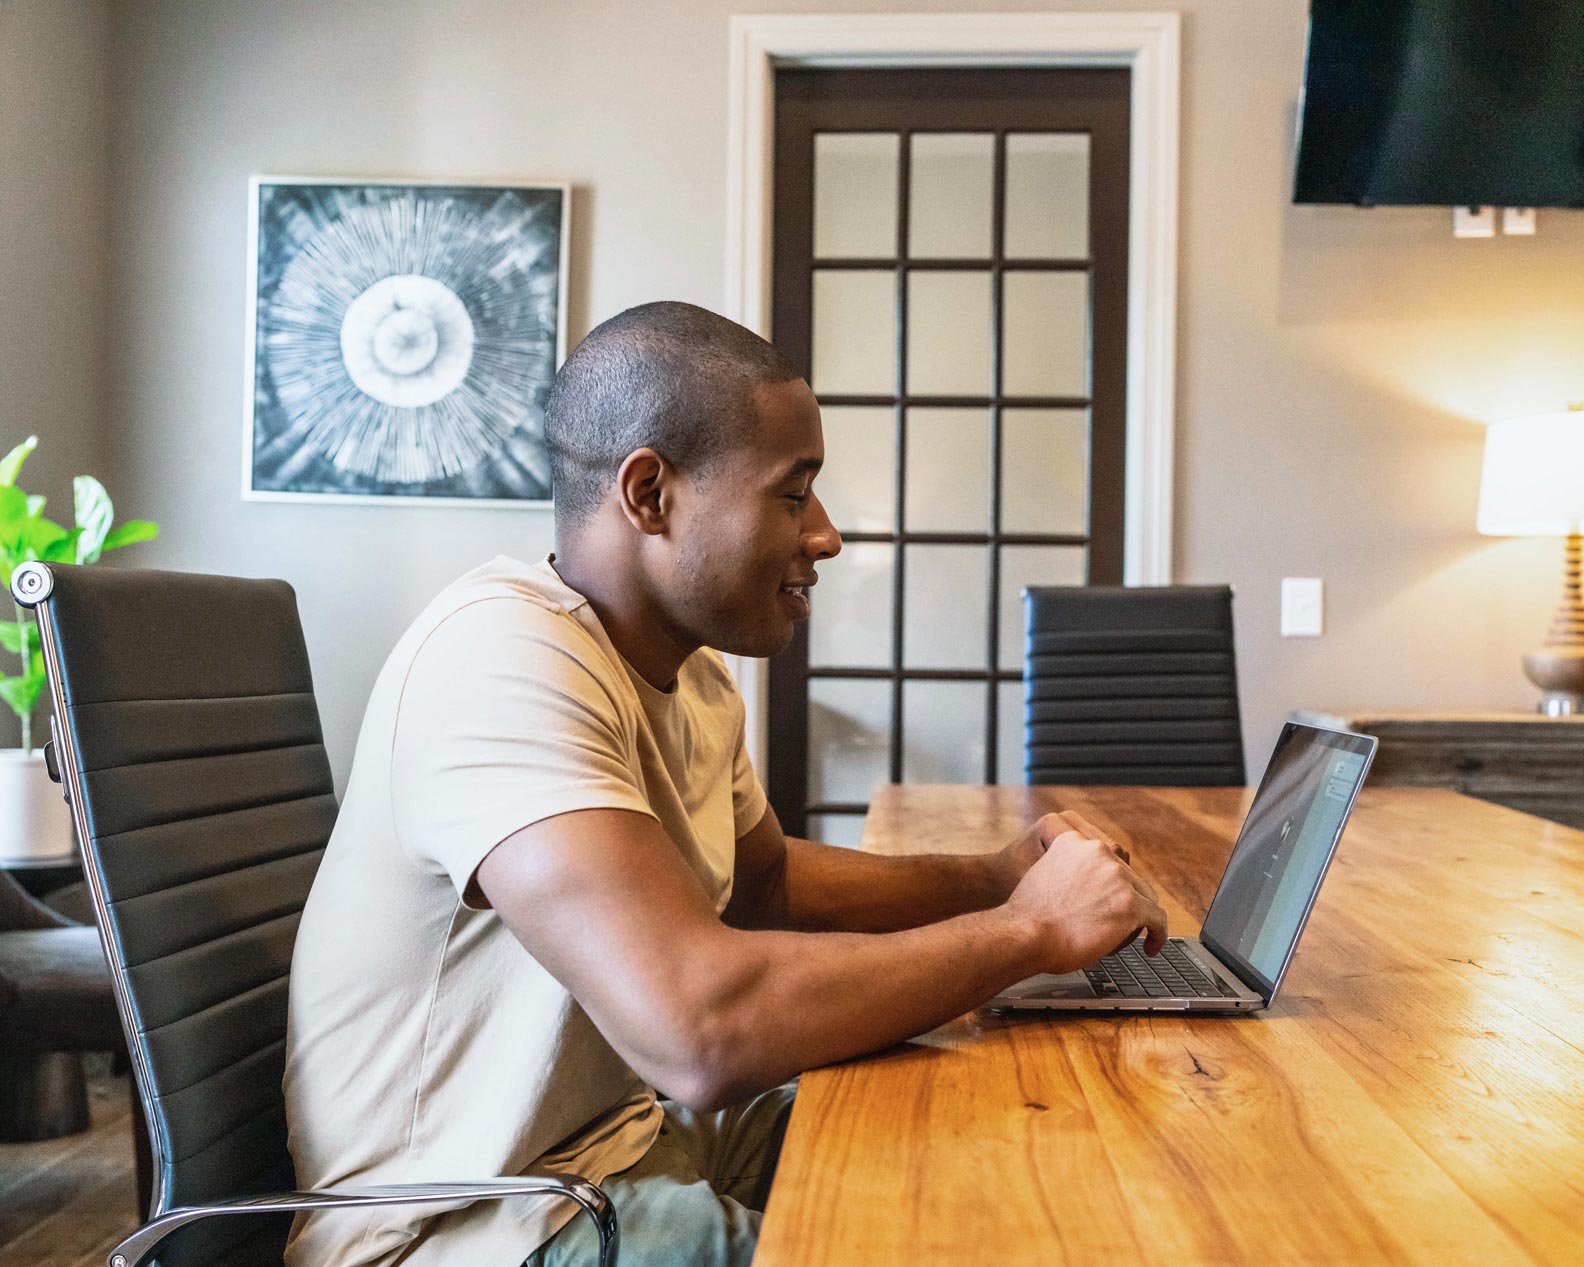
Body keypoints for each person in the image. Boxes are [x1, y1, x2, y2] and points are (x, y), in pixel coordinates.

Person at [282, 301, 1167, 1267]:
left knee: (995, 1139)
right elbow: (699, 1030)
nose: (825, 536)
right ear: (650, 492)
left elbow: (770, 888)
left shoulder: (689, 672)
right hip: (472, 1224)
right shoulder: (499, 660)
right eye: (795, 495)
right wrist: (1029, 931)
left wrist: (996, 877)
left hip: (617, 1147)